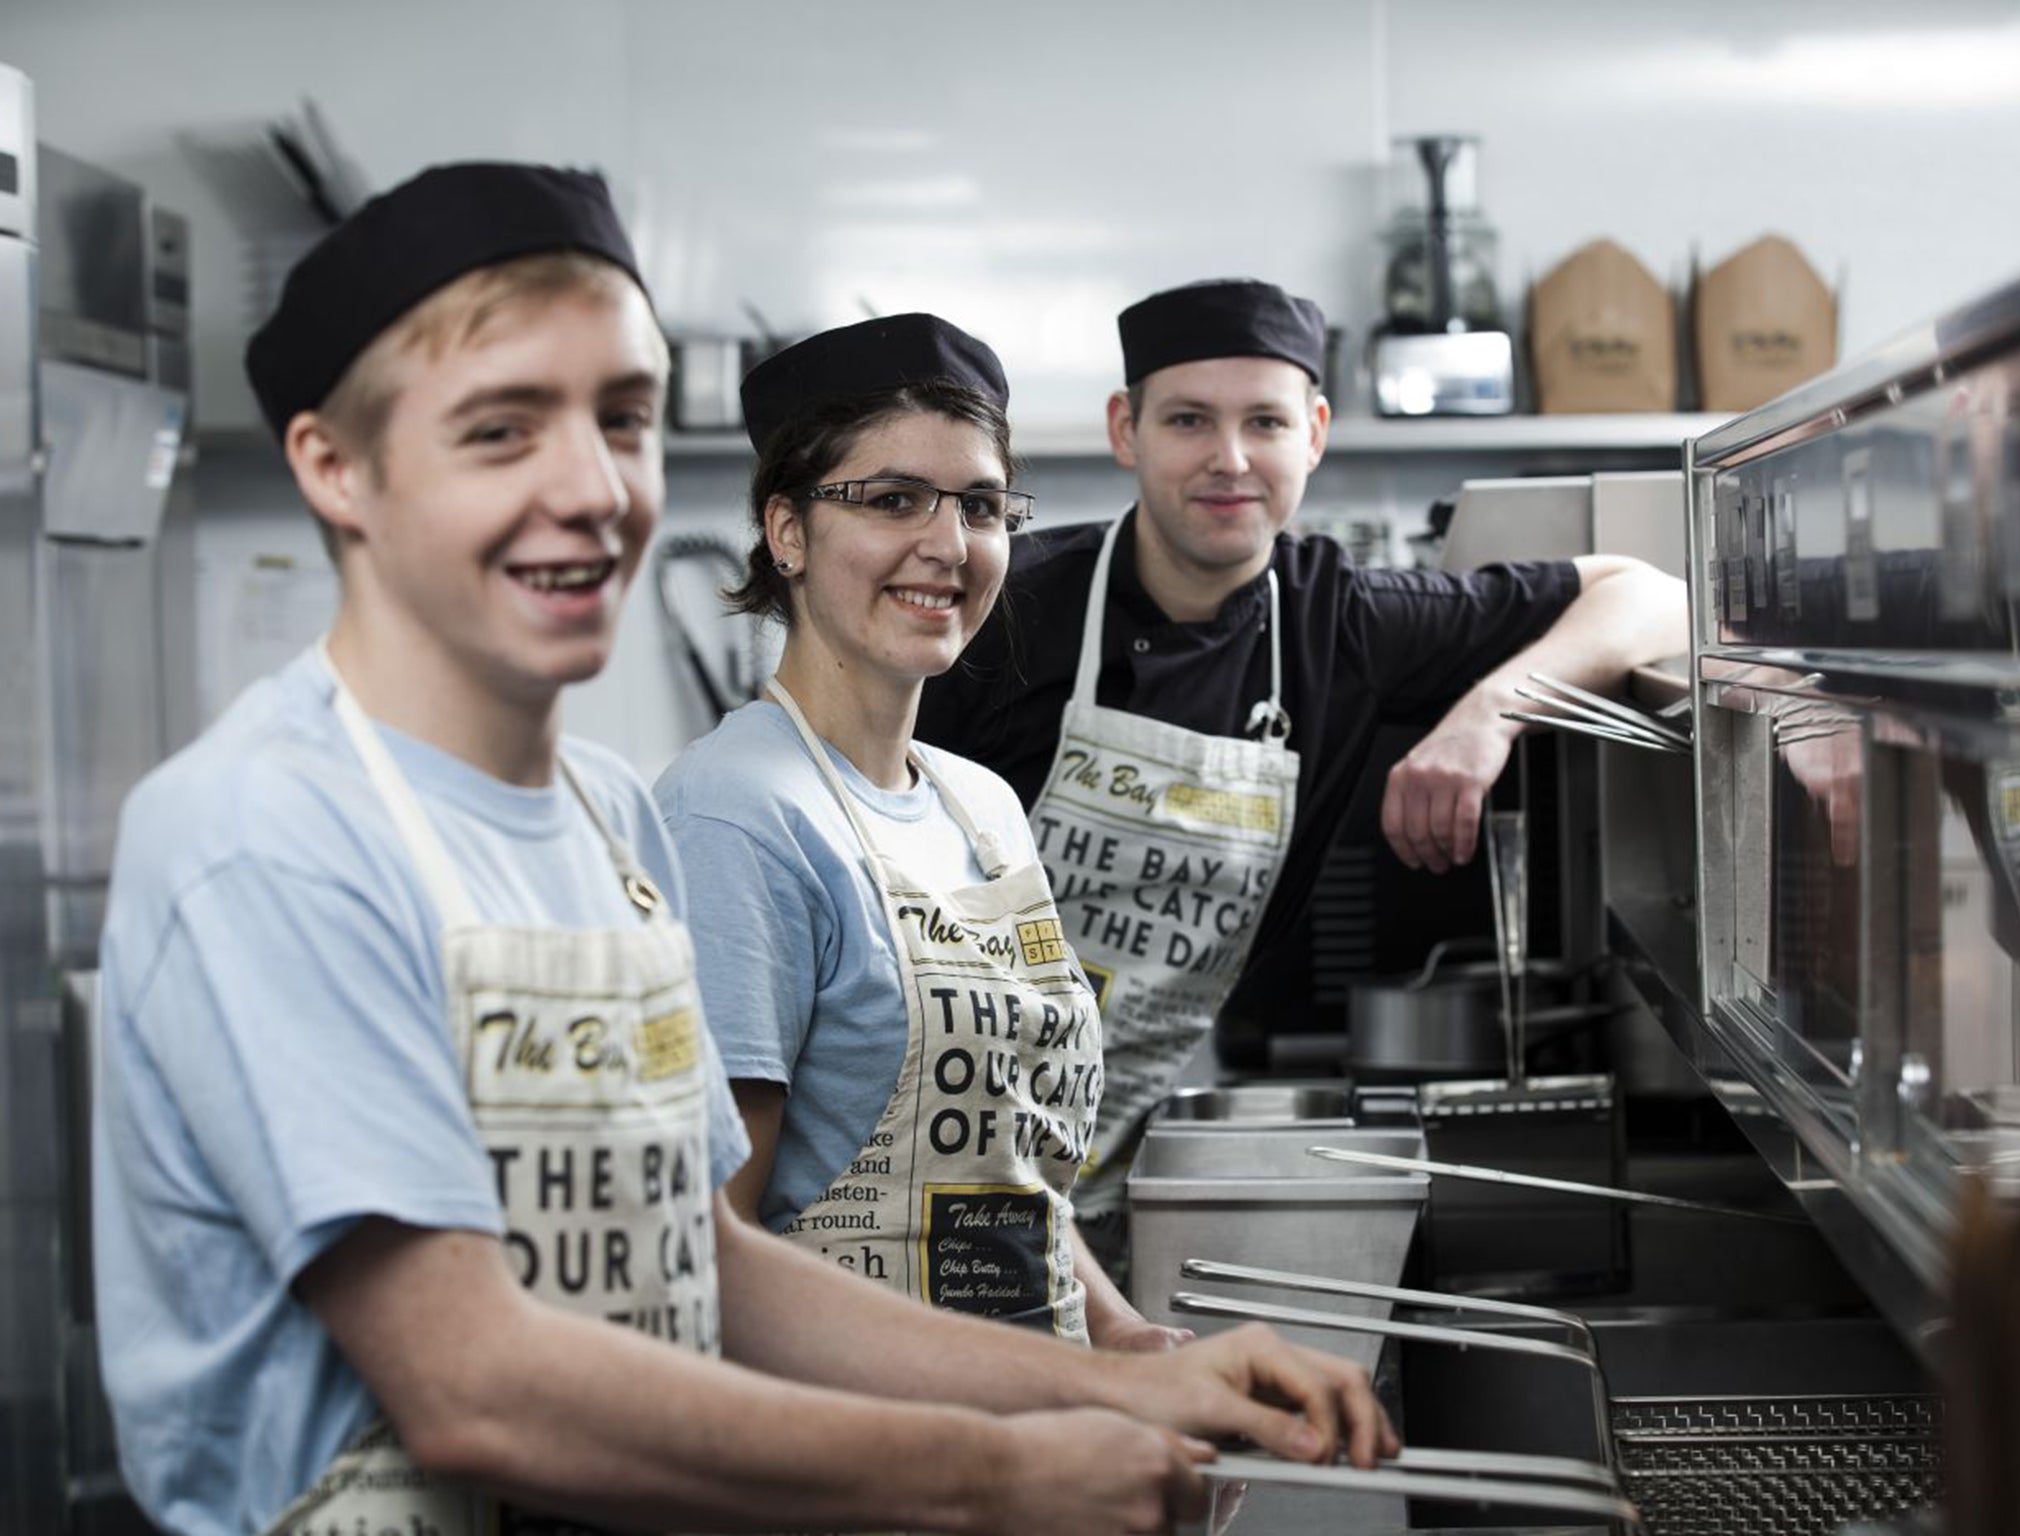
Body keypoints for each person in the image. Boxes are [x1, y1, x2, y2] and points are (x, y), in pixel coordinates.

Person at [92, 170, 1394, 1536]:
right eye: (499, 430)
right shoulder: (268, 832)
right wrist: (1003, 1469)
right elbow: (471, 1385)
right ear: (333, 467)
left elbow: (709, 1262)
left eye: (626, 421)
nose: (593, 489)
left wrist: (1129, 1381)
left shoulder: (600, 813)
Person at [917, 277, 1689, 1266]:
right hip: (931, 1139)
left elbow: (1648, 595)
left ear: (1314, 433)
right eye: (1188, 419)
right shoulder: (1002, 612)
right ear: (1127, 430)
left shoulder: (1340, 623)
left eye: (1264, 422)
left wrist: (1483, 717)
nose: (1228, 459)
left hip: (1113, 1166)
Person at [655, 315, 1174, 1351]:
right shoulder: (736, 815)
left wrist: (1118, 1340)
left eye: (980, 506)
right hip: (869, 1456)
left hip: (1036, 1422)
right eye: (892, 500)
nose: (947, 546)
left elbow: (1005, 1165)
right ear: (788, 531)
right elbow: (711, 1254)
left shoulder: (978, 804)